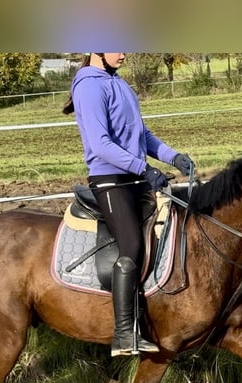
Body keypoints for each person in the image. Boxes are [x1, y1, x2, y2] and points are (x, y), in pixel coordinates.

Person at [63, 52, 195, 357]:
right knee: (132, 246)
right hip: (110, 180)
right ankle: (124, 334)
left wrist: (171, 155)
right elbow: (100, 144)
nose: (124, 52)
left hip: (133, 177)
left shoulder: (118, 83)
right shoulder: (88, 86)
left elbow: (141, 134)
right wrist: (144, 169)